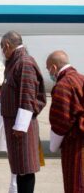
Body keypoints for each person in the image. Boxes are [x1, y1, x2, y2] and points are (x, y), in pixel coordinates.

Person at [0, 31, 46, 193]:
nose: (1, 51)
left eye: (2, 47)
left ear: (7, 45)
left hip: (22, 127)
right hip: (15, 124)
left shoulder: (24, 62)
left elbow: (27, 95)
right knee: (19, 167)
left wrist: (20, 126)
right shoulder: (14, 62)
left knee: (25, 168)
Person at [47, 50, 84, 193]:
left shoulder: (63, 85)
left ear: (54, 67)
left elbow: (61, 120)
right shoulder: (81, 78)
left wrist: (53, 145)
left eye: (48, 68)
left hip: (76, 142)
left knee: (76, 183)